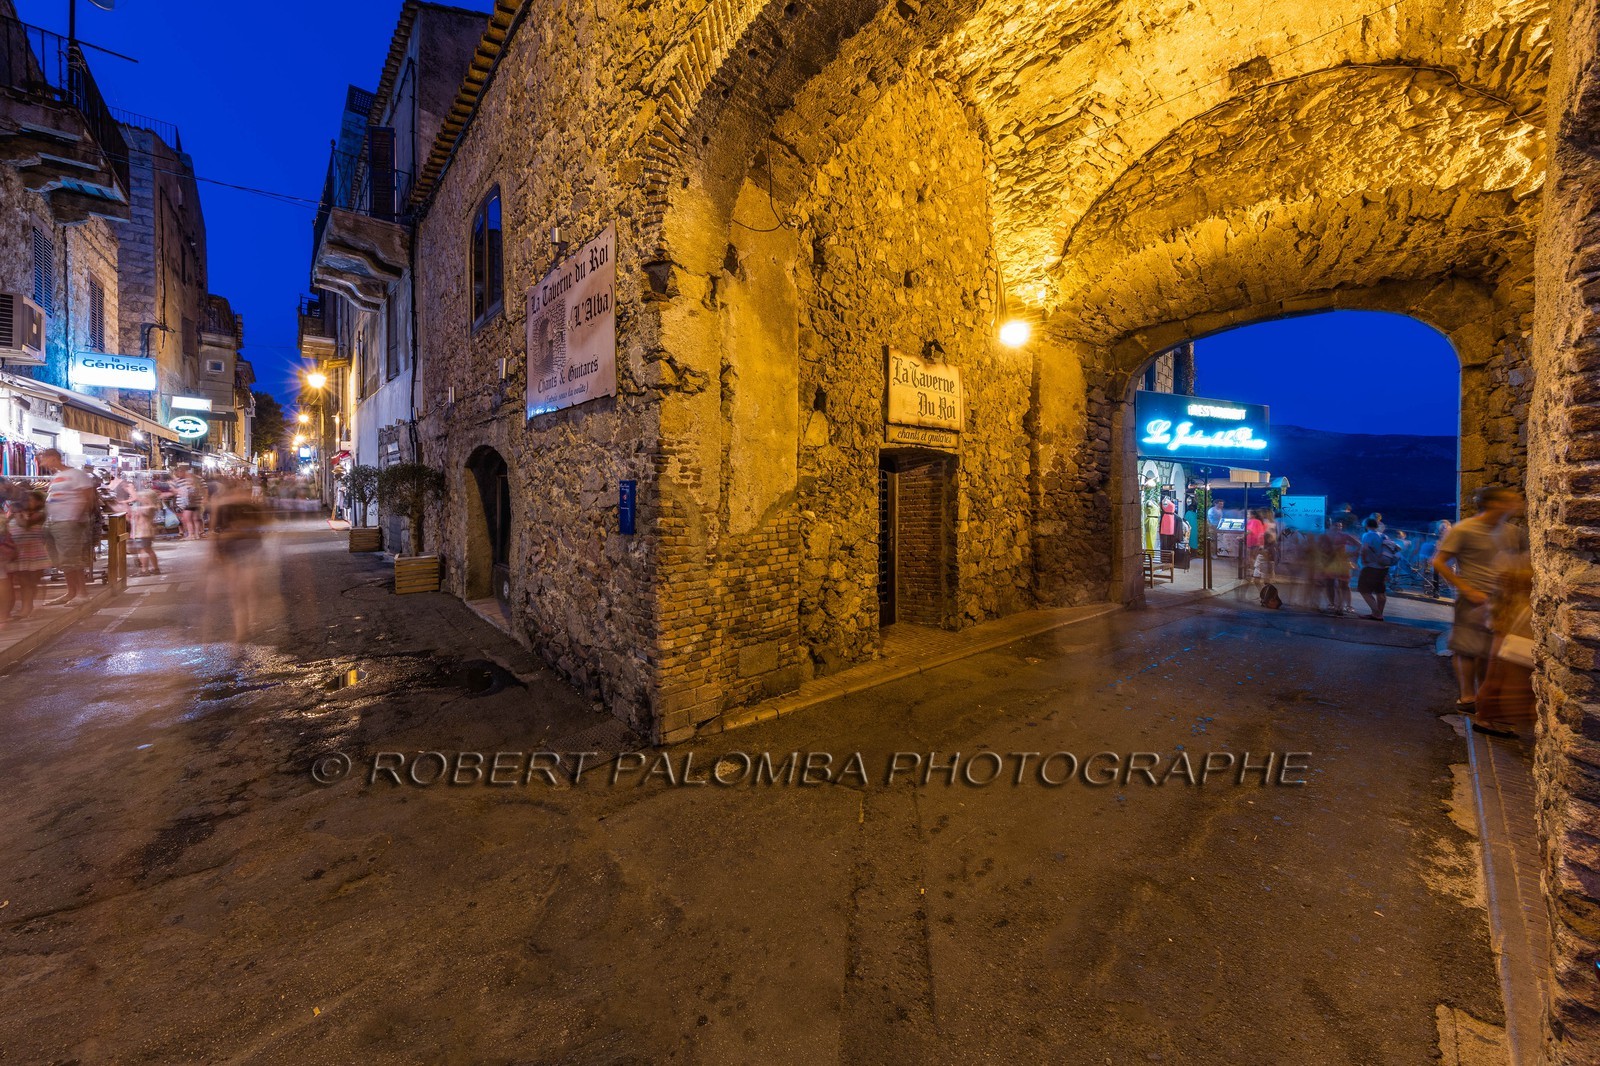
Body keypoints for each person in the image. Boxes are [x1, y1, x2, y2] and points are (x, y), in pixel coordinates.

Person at [1433, 487, 1526, 710]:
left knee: (1488, 651)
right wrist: (1466, 590)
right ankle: (1467, 697)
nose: (1515, 504)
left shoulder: (1512, 532)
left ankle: (1483, 696)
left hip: (1502, 601)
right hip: (1473, 598)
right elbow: (1438, 562)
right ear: (1493, 503)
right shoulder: (1464, 529)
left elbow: (1521, 562)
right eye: (1508, 501)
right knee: (1466, 648)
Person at [40, 448, 94, 606]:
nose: (42, 463)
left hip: (68, 522)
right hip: (54, 522)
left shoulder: (77, 475)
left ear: (53, 458)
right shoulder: (57, 476)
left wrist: (77, 518)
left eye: (44, 459)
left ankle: (82, 593)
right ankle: (71, 592)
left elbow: (88, 497)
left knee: (72, 558)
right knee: (62, 560)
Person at [9, 490, 52, 618]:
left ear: (39, 502)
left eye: (29, 499)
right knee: (22, 583)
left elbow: (25, 524)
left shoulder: (40, 514)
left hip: (32, 554)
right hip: (18, 553)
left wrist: (17, 512)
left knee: (27, 583)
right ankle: (24, 606)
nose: (25, 502)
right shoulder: (19, 513)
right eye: (24, 499)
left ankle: (27, 608)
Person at [1356, 517, 1399, 620]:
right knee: (1380, 591)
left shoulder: (1367, 535)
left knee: (1364, 590)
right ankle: (1379, 614)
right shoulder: (1384, 535)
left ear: (1366, 526)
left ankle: (1376, 613)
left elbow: (1364, 548)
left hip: (1371, 567)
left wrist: (1363, 560)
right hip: (1383, 567)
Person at [128, 488, 161, 576]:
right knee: (148, 550)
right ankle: (155, 568)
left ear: (148, 498)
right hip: (142, 532)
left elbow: (144, 511)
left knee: (143, 551)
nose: (140, 499)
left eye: (142, 497)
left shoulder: (150, 507)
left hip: (144, 532)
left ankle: (144, 569)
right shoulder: (147, 507)